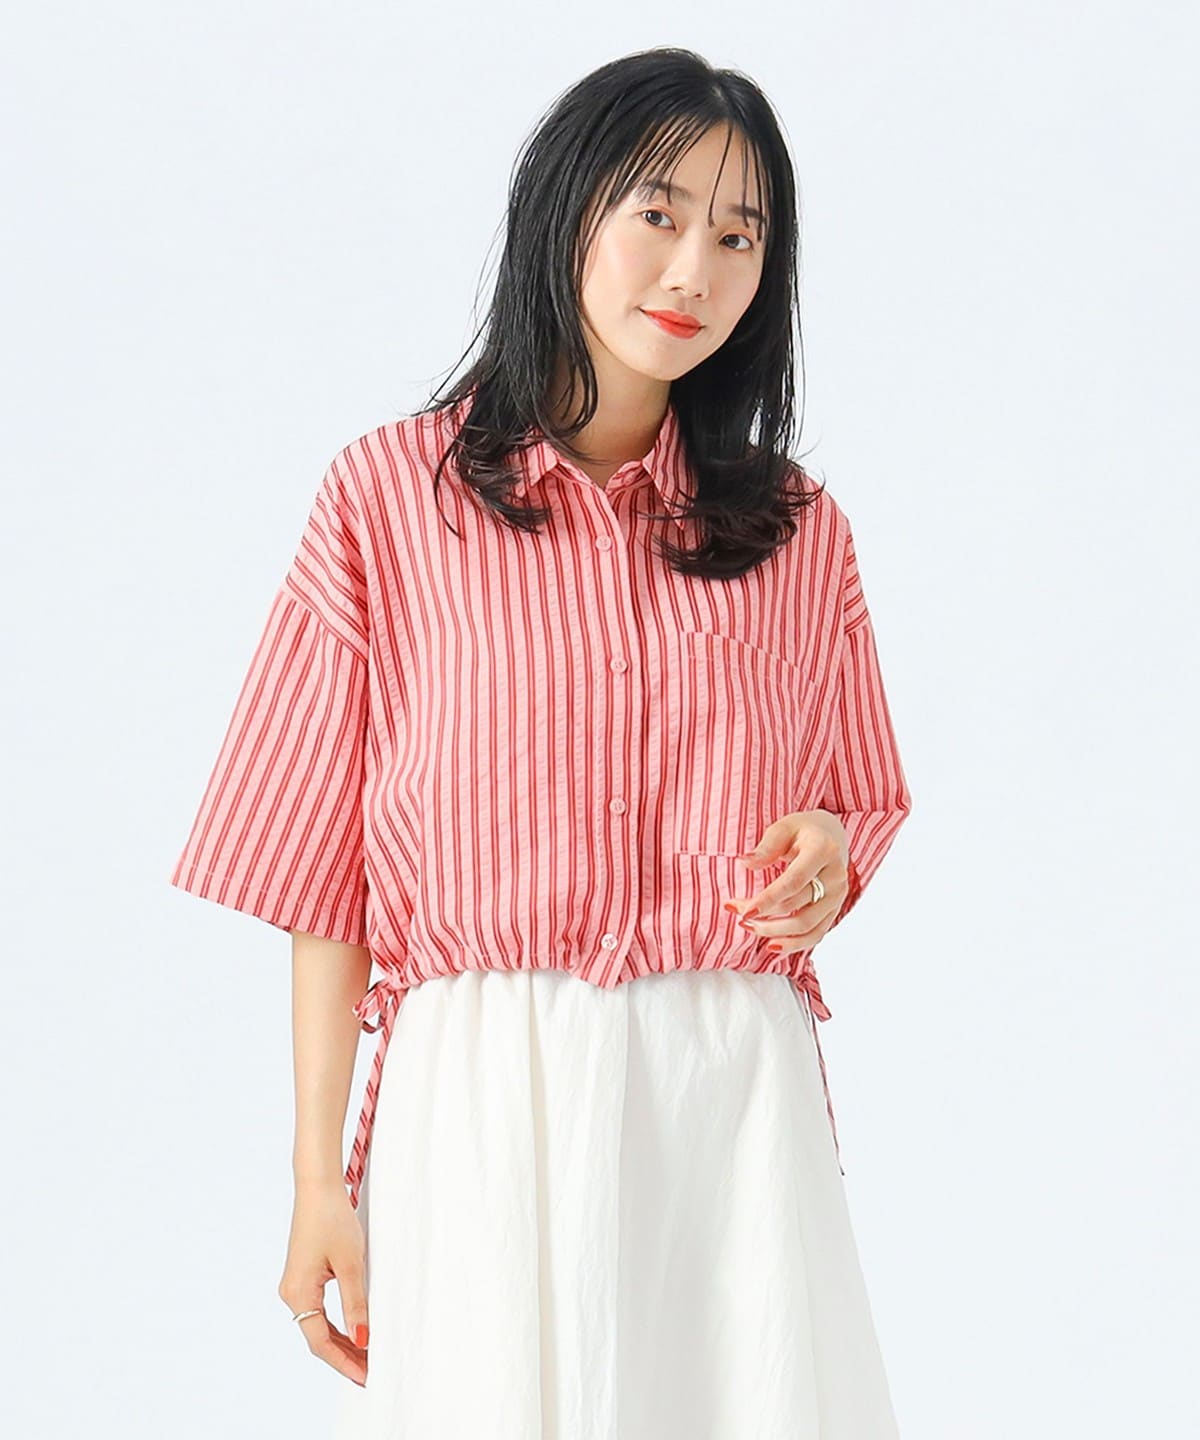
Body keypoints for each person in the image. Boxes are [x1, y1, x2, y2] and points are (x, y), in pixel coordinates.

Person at [169, 45, 913, 1439]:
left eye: (739, 235)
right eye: (658, 214)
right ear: (565, 209)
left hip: (726, 1085)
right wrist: (318, 1182)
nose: (694, 270)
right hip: (481, 1081)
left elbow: (852, 796)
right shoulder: (385, 500)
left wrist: (825, 850)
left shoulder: (797, 528)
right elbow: (320, 867)